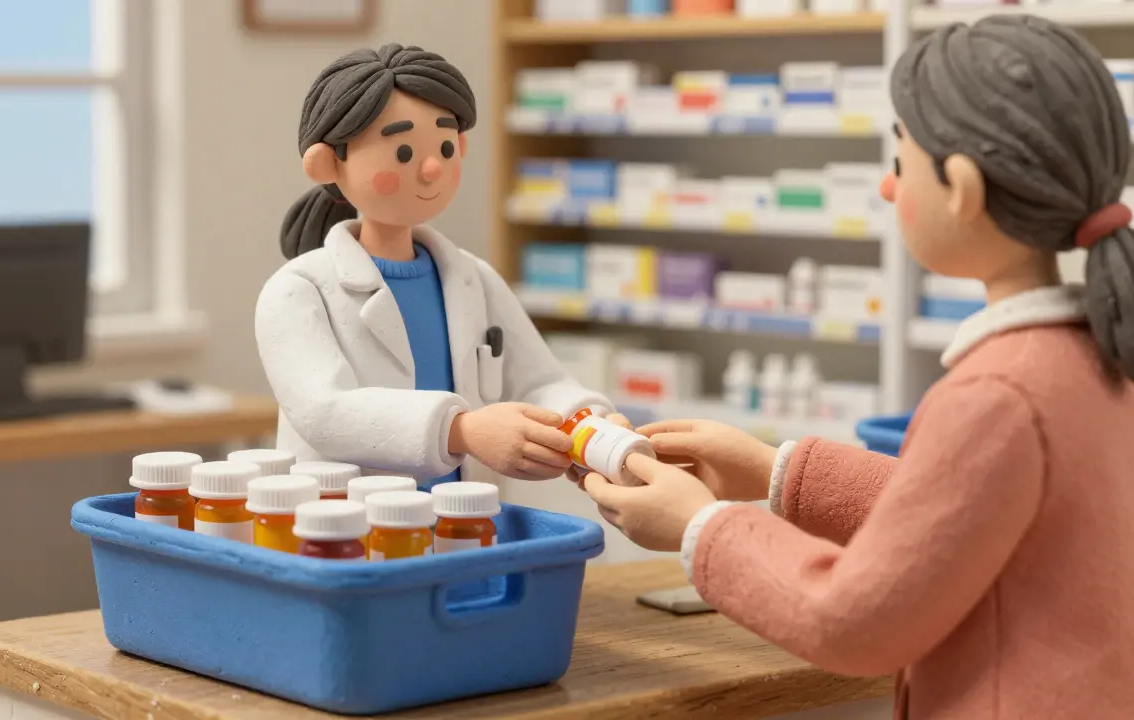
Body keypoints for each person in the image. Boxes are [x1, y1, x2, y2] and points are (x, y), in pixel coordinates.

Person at [581, 16, 1134, 720]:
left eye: (902, 163)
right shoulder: (1090, 351)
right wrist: (771, 471)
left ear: (961, 187)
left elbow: (853, 624)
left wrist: (701, 528)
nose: (885, 186)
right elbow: (960, 510)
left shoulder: (999, 393)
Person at [256, 44, 616, 488]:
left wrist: (593, 423)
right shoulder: (298, 289)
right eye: (403, 153)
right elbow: (324, 412)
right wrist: (463, 430)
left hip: (463, 518)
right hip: (345, 524)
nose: (431, 168)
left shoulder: (473, 279)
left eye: (445, 147)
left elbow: (539, 382)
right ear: (329, 163)